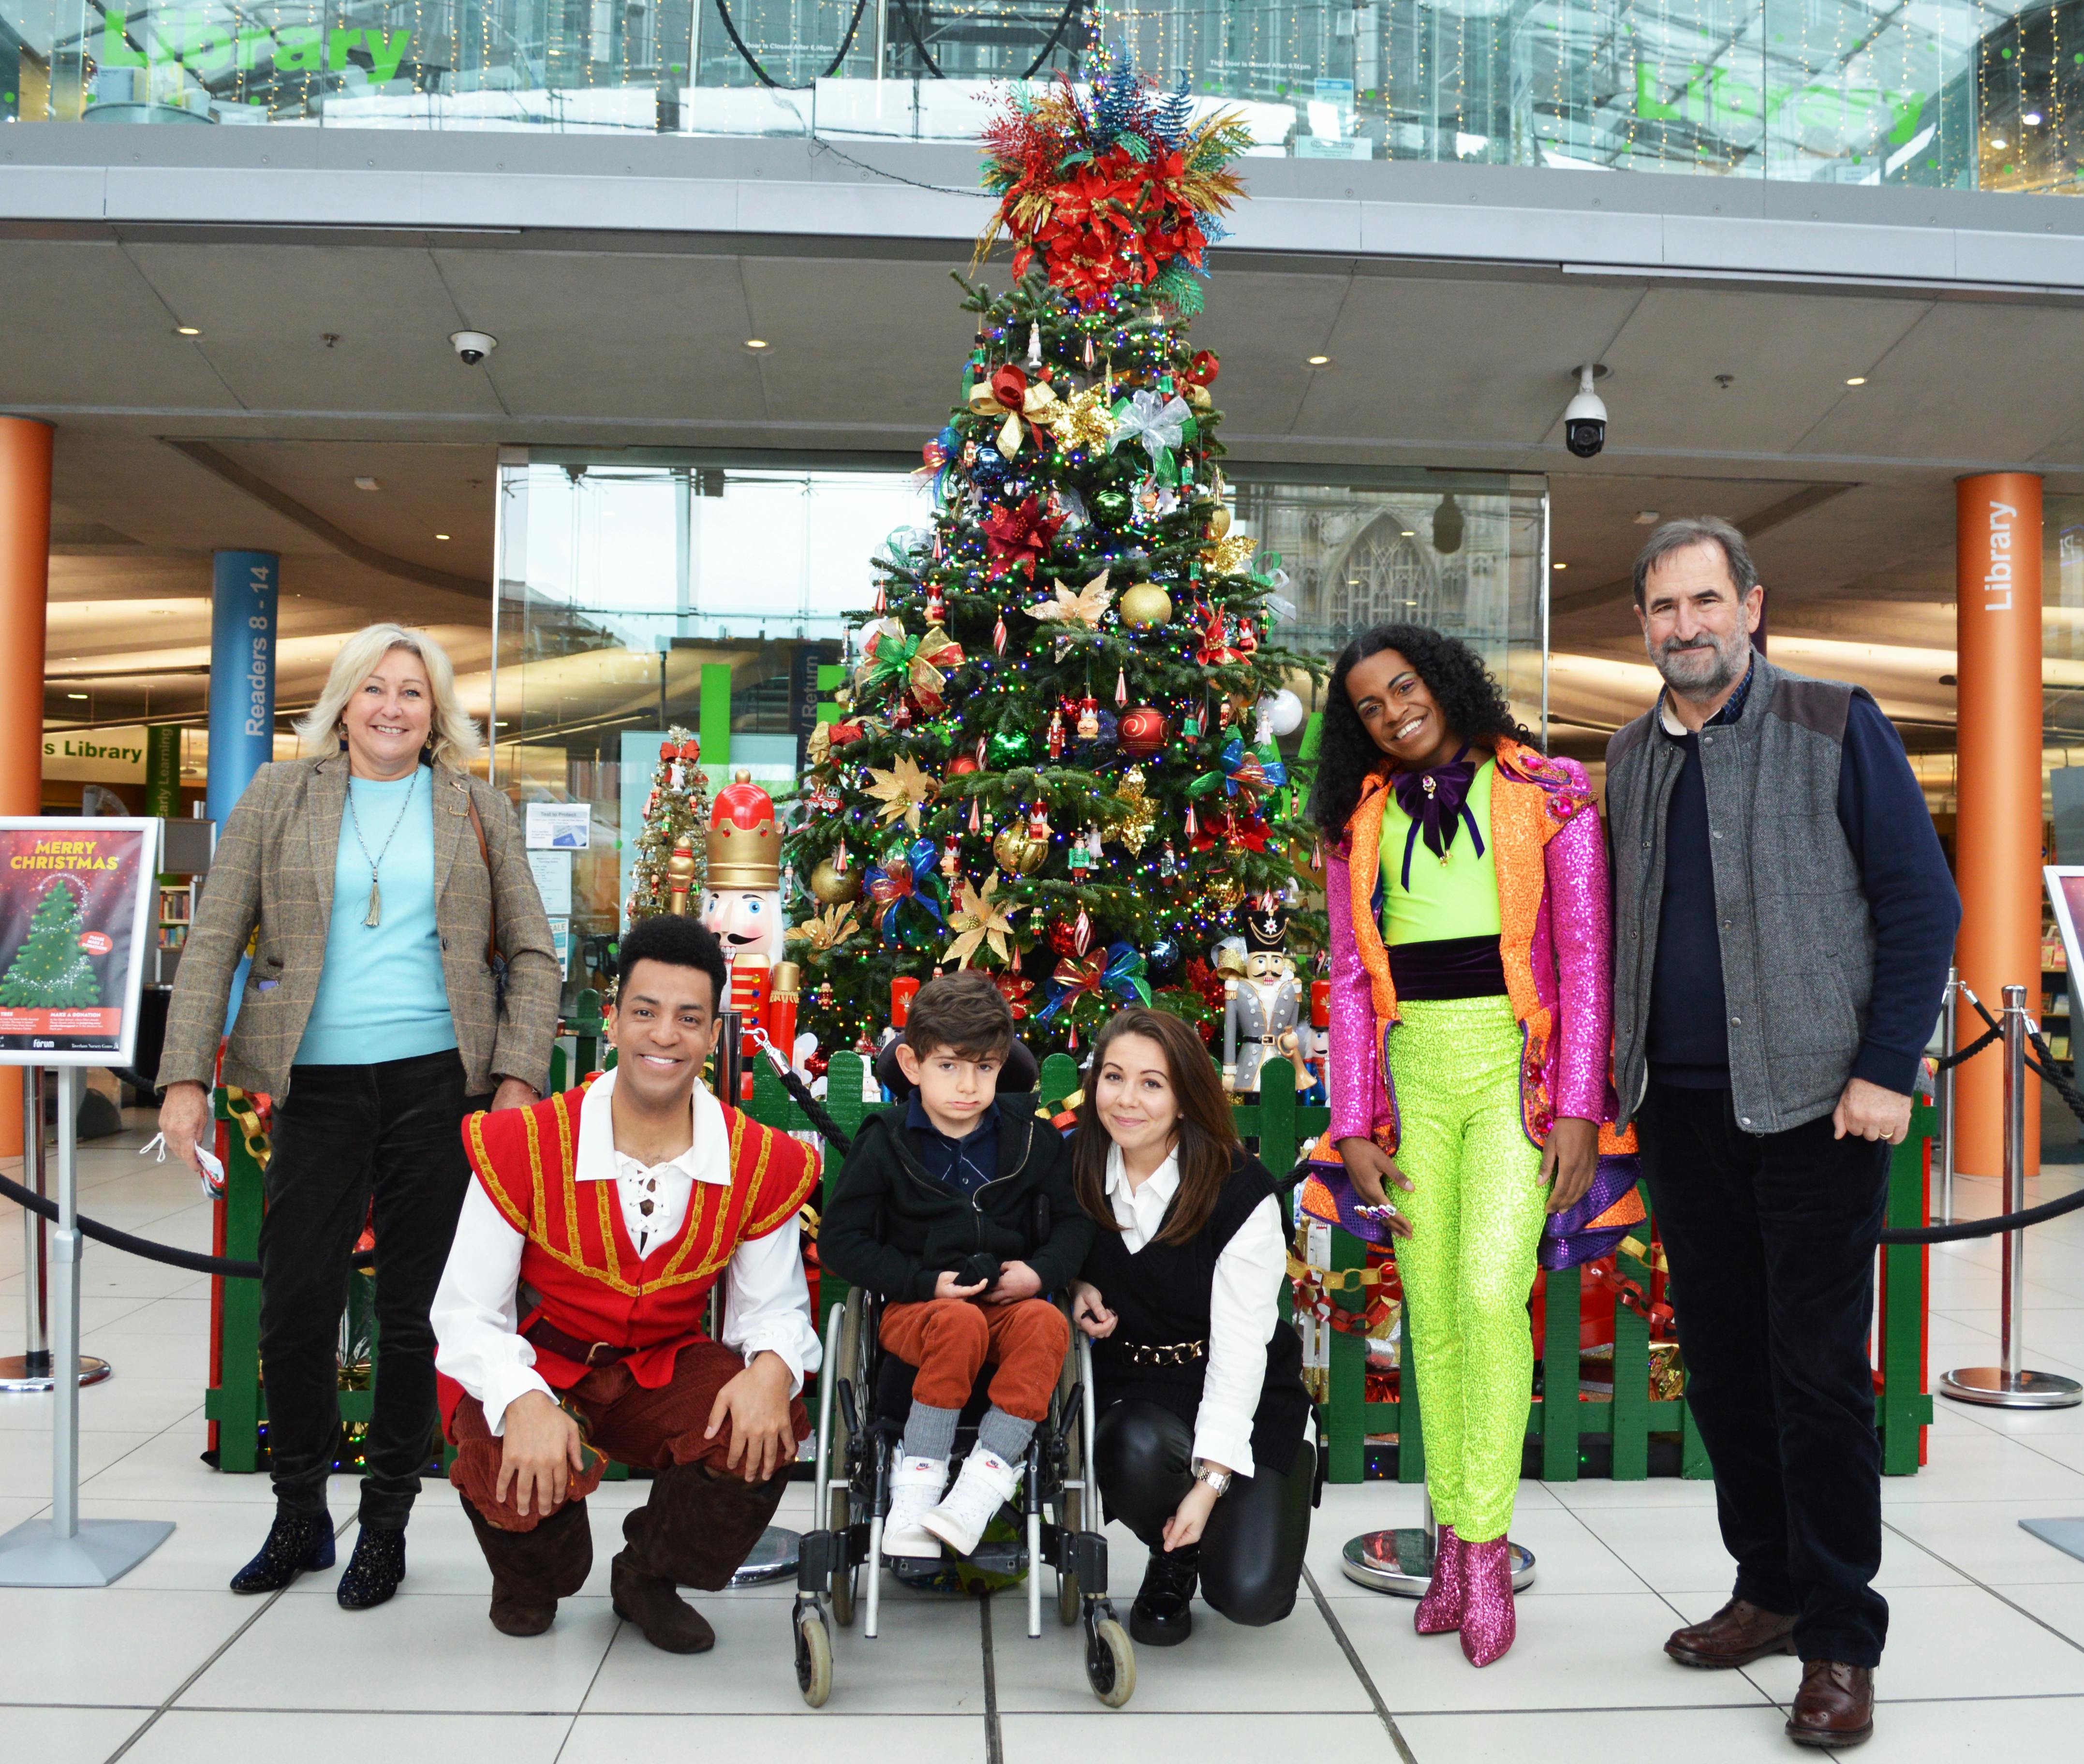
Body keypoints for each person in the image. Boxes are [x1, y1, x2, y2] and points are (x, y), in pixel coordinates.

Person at [1607, 517, 1959, 1749]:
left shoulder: (1831, 721)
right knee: (1722, 1365)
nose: (1685, 626)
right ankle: (1763, 1588)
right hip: (1681, 1112)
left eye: (1705, 601)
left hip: (1821, 1109)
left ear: (1751, 607)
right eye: (1663, 608)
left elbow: (1922, 901)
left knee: (1814, 1378)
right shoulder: (1626, 757)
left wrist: (1883, 1067)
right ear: (1643, 624)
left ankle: (1837, 1640)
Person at [157, 622, 559, 1610]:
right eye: (374, 688)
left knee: (417, 1316)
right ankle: (299, 1514)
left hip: (438, 1085)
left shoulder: (478, 808)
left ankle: (385, 1526)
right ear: (342, 701)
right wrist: (183, 1079)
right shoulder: (280, 798)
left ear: (438, 714)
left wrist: (515, 1076)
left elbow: (536, 956)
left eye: (412, 694)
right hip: (317, 1083)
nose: (391, 707)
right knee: (295, 1307)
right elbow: (212, 943)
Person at [1308, 623, 1615, 1667]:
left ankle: (1484, 1551)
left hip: (1513, 1074)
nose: (1394, 712)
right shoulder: (1362, 821)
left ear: (1442, 682)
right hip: (1408, 1082)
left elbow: (1585, 958)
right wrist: (1352, 1123)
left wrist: (1578, 1105)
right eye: (1368, 707)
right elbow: (1350, 984)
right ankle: (1451, 1542)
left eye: (1405, 688)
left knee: (1490, 1292)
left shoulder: (1553, 790)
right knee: (1432, 1312)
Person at [429, 914, 823, 1649]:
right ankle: (532, 1571)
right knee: (500, 1454)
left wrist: (772, 1368)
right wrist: (523, 1400)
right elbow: (465, 1314)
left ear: (712, 1034)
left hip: (659, 1370)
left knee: (763, 1423)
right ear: (613, 1021)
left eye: (687, 1019)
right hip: (545, 1358)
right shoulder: (526, 1142)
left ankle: (648, 1574)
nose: (663, 1036)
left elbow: (772, 1308)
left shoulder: (756, 1161)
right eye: (644, 1012)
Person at [819, 970, 1092, 1557]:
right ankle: (916, 1496)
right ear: (914, 1066)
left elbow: (1075, 1223)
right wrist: (923, 1283)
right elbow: (842, 1240)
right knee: (957, 1323)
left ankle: (977, 1493)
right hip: (917, 1309)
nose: (968, 1085)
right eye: (949, 1066)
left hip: (1006, 1305)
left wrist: (1040, 1274)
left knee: (1048, 1323)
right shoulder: (885, 1141)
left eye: (986, 1067)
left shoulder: (1032, 1140)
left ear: (1003, 1065)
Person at [1068, 1007, 1313, 1648]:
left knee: (1251, 1598)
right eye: (1113, 1077)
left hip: (1242, 1390)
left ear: (1184, 1098)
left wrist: (1209, 1486)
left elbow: (1240, 1355)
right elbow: (1035, 1250)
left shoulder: (1239, 1194)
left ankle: (1241, 1499)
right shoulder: (1074, 1172)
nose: (1126, 1100)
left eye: (1151, 1083)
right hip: (1139, 1393)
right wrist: (1071, 1284)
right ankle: (1171, 1556)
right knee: (1135, 1445)